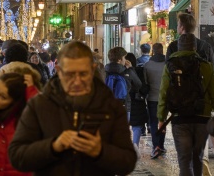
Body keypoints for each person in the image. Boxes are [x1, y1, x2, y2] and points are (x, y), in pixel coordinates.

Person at [9, 41, 137, 176]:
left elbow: (128, 162)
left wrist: (100, 151)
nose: (76, 81)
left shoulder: (110, 106)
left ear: (92, 70)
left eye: (83, 74)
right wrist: (53, 146)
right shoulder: (40, 105)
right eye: (70, 74)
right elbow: (17, 156)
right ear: (58, 70)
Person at [158, 35, 214, 176]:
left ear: (179, 47)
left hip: (179, 118)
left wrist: (161, 118)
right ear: (195, 47)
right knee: (197, 157)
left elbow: (163, 93)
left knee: (184, 159)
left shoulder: (170, 65)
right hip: (202, 117)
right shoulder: (206, 66)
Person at [144, 42, 167, 159]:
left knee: (153, 122)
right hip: (165, 98)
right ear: (162, 51)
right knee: (163, 121)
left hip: (152, 98)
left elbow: (145, 83)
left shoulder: (147, 65)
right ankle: (161, 145)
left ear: (152, 51)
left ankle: (156, 146)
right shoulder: (167, 64)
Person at [104, 46, 141, 114]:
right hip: (124, 106)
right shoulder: (127, 72)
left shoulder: (103, 72)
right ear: (119, 59)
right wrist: (131, 68)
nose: (125, 59)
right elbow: (138, 85)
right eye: (124, 57)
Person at [126, 52, 149, 156]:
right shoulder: (140, 71)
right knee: (137, 126)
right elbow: (144, 88)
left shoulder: (120, 72)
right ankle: (135, 146)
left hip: (125, 102)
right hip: (137, 102)